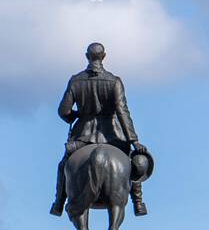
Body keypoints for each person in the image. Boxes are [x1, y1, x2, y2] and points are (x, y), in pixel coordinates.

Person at [50, 42, 151, 218]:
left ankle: (59, 203)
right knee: (130, 160)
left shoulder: (75, 80)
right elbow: (122, 112)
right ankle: (138, 202)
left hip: (82, 136)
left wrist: (73, 116)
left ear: (87, 56)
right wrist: (133, 141)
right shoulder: (115, 81)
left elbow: (63, 111)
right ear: (103, 56)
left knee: (63, 165)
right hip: (113, 136)